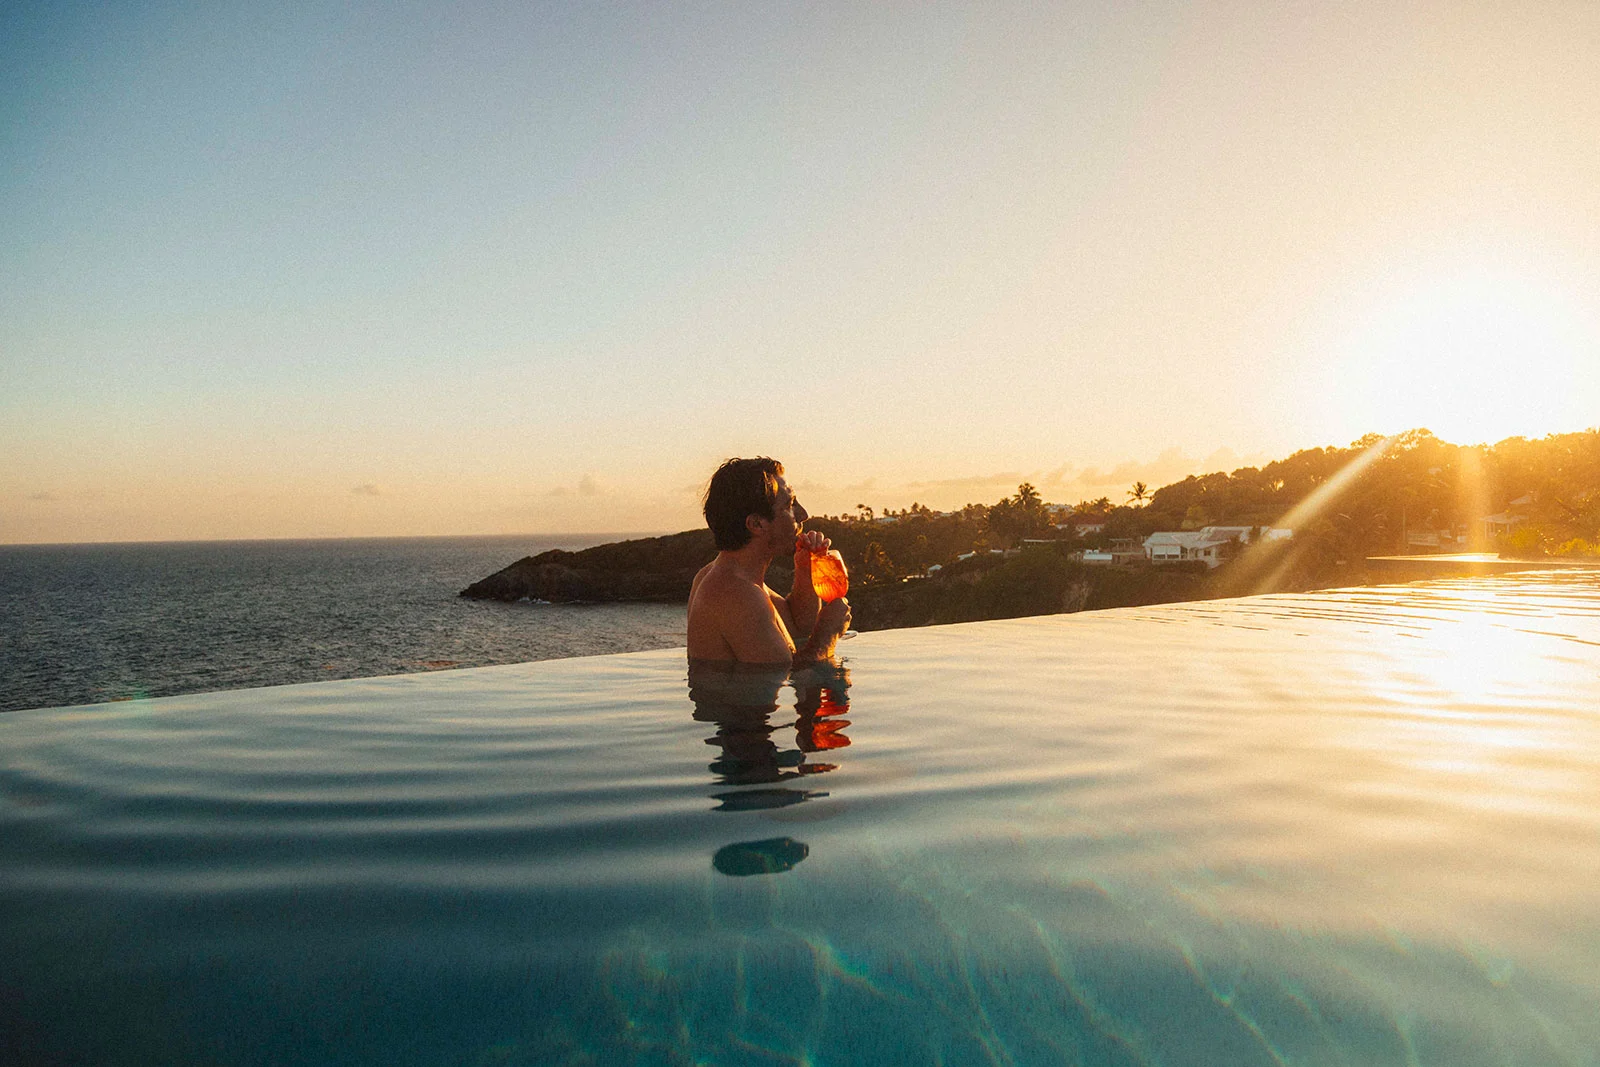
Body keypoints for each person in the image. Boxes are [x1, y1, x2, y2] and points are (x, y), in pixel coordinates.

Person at [687, 457, 851, 667]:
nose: (804, 514)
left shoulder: (737, 579)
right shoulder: (737, 594)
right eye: (790, 505)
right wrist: (828, 635)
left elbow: (799, 627)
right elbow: (789, 675)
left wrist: (804, 569)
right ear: (757, 524)